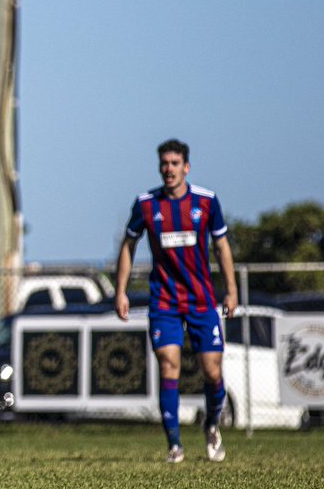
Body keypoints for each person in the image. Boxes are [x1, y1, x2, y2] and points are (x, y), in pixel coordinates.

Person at [114, 138, 237, 464]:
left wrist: (231, 289)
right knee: (169, 365)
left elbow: (222, 246)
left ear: (186, 167)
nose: (168, 169)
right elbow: (128, 244)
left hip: (201, 300)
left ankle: (211, 425)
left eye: (174, 163)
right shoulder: (146, 204)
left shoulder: (207, 202)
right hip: (164, 301)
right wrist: (121, 290)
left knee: (212, 371)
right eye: (164, 163)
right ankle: (175, 446)